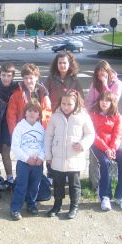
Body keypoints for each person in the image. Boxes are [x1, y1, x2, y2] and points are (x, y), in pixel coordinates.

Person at [45, 90, 95, 219]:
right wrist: (48, 155)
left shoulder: (82, 116)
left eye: (69, 104)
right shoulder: (55, 116)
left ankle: (74, 207)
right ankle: (57, 205)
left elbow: (90, 134)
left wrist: (83, 144)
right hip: (57, 157)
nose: (66, 107)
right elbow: (48, 136)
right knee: (58, 183)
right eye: (63, 103)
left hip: (75, 157)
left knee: (74, 184)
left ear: (76, 103)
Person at [89, 92, 122, 211]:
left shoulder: (116, 115)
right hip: (98, 145)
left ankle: (121, 195)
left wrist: (112, 148)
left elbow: (117, 134)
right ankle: (104, 196)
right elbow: (94, 134)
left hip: (112, 146)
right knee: (104, 162)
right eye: (102, 100)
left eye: (107, 101)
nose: (104, 103)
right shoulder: (93, 114)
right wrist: (106, 149)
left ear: (112, 103)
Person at [10, 101, 45, 221]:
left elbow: (45, 145)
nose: (32, 113)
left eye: (35, 111)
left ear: (39, 115)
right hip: (24, 163)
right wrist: (26, 158)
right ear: (25, 112)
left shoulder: (41, 128)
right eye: (29, 110)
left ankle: (32, 204)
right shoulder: (19, 127)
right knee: (21, 185)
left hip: (37, 163)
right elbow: (15, 146)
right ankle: (15, 208)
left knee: (35, 185)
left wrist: (41, 157)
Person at [6, 63, 51, 135]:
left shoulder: (43, 94)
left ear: (36, 77)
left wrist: (47, 132)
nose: (28, 81)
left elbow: (48, 114)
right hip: (23, 131)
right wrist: (14, 134)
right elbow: (11, 117)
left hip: (40, 130)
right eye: (26, 78)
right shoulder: (16, 95)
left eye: (31, 78)